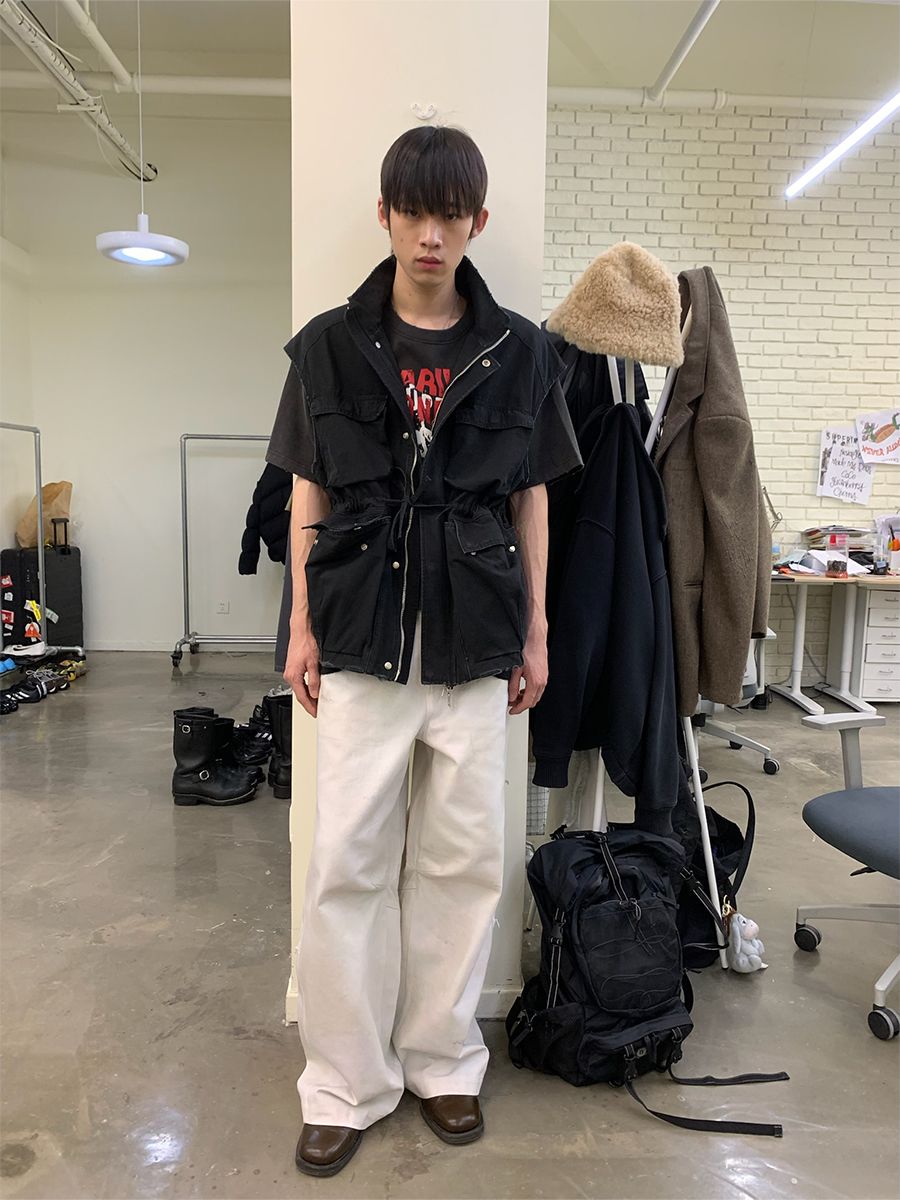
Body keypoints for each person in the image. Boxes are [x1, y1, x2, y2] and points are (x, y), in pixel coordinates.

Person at [266, 125, 582, 1178]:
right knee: (346, 865)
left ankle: (443, 1061)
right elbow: (307, 489)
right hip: (361, 634)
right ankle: (344, 1082)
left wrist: (536, 629)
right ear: (387, 215)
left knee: (462, 863)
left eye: (451, 215)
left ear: (476, 221)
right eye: (414, 212)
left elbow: (532, 499)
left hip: (476, 637)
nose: (431, 234)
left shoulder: (523, 352)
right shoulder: (327, 346)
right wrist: (300, 624)